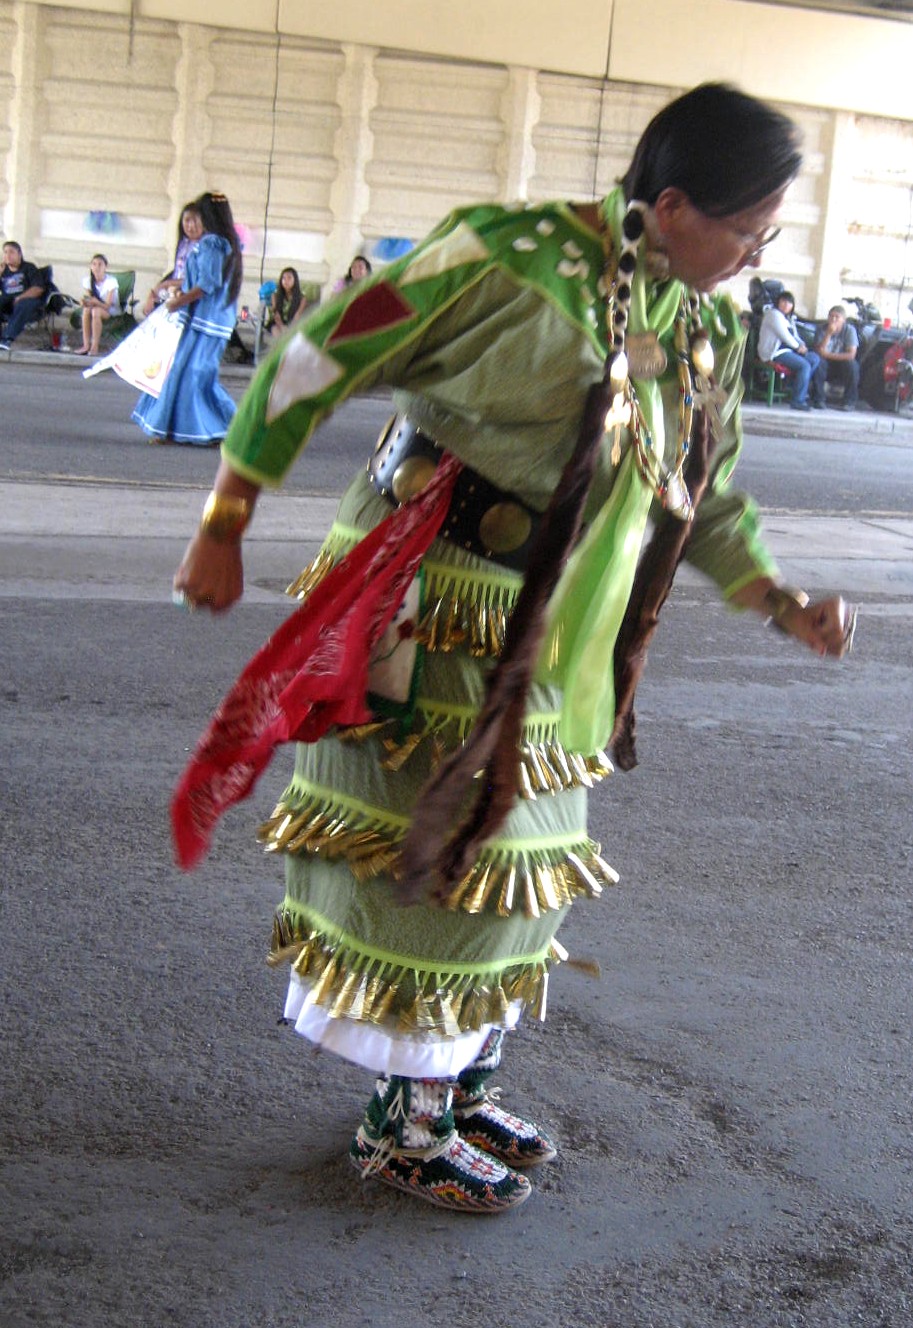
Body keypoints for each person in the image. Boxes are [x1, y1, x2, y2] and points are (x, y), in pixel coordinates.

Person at [171, 84, 855, 1214]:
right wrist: (223, 521)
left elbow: (703, 496)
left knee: (517, 875)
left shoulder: (704, 326)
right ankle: (405, 1122)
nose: (752, 255)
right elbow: (312, 356)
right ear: (672, 205)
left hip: (567, 627)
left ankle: (460, 1077)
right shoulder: (506, 261)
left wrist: (777, 598)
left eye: (766, 235)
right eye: (744, 230)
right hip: (435, 609)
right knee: (443, 868)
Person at [132, 191, 242, 446]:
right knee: (196, 375)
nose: (193, 222)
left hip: (205, 321)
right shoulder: (225, 243)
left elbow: (207, 284)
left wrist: (177, 301)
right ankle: (224, 428)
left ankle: (202, 428)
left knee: (186, 372)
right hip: (212, 320)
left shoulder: (212, 243)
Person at [757, 289, 823, 410]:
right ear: (778, 302)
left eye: (789, 303)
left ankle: (796, 386)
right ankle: (798, 400)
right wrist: (798, 348)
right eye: (784, 302)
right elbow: (784, 335)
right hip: (775, 352)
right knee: (804, 366)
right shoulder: (773, 314)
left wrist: (802, 346)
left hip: (789, 351)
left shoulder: (788, 318)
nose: (786, 305)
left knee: (814, 358)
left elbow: (795, 336)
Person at [142, 203, 203, 317]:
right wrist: (153, 293)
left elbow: (197, 281)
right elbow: (176, 272)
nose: (190, 226)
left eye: (195, 221)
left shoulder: (205, 248)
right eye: (187, 220)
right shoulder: (183, 243)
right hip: (172, 293)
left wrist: (167, 284)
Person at [0, 241, 47, 350]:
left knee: (23, 304)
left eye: (11, 252)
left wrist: (20, 297)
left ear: (19, 254)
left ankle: (7, 338)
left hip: (28, 303)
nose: (7, 255)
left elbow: (38, 289)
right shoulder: (4, 271)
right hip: (8, 303)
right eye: (5, 252)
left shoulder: (29, 268)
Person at [813, 304, 860, 410]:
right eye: (831, 316)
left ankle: (849, 402)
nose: (833, 319)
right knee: (818, 362)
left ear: (843, 320)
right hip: (825, 363)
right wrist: (828, 334)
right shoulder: (821, 329)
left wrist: (827, 354)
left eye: (837, 317)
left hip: (841, 363)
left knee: (852, 365)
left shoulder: (849, 330)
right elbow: (818, 351)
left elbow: (851, 354)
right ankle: (819, 399)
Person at [75, 253, 120, 357]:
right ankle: (86, 345)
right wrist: (85, 302)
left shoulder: (111, 282)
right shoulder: (88, 281)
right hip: (95, 307)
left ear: (105, 267)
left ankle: (94, 346)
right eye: (94, 264)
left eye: (100, 264)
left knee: (96, 311)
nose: (97, 267)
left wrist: (96, 302)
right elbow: (89, 299)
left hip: (110, 309)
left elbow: (108, 306)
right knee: (86, 310)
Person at [266, 266, 309, 338]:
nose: (286, 281)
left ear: (295, 280)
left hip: (293, 325)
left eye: (289, 278)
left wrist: (288, 329)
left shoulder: (302, 298)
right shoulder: (275, 295)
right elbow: (276, 316)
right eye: (283, 278)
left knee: (288, 335)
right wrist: (282, 327)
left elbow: (297, 317)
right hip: (276, 324)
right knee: (276, 331)